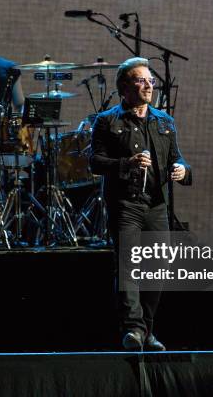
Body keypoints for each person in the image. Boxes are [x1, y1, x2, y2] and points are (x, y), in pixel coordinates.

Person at [89, 57, 192, 351]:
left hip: (156, 205)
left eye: (151, 81)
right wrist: (126, 163)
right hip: (125, 204)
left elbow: (178, 158)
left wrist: (184, 171)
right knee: (129, 264)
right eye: (141, 80)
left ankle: (146, 330)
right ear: (125, 87)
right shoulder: (107, 121)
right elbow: (94, 162)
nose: (149, 85)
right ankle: (132, 329)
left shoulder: (164, 121)